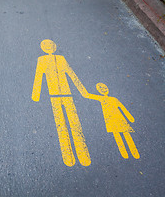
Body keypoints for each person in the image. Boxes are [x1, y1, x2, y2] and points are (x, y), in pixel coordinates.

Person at [32, 39, 91, 167]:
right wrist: (36, 94)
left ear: (54, 46)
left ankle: (83, 154)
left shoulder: (61, 58)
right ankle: (67, 156)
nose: (49, 47)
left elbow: (71, 73)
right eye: (46, 46)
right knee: (61, 124)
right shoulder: (41, 60)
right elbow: (38, 76)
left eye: (51, 45)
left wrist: (82, 90)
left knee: (74, 122)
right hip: (54, 95)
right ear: (43, 48)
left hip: (67, 93)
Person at [85, 83, 140, 159]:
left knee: (126, 133)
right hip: (110, 119)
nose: (104, 90)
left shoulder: (113, 99)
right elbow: (87, 95)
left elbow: (122, 108)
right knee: (117, 134)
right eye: (101, 89)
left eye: (104, 88)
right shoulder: (101, 98)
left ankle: (134, 152)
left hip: (119, 117)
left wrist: (130, 117)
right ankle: (124, 152)